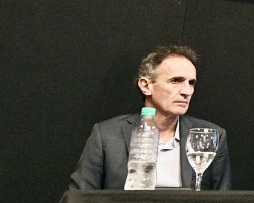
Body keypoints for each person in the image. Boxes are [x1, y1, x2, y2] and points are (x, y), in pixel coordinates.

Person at [70, 44, 232, 190]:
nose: (187, 91)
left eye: (191, 83)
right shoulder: (107, 135)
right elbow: (79, 201)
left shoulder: (210, 136)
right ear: (146, 86)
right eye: (176, 80)